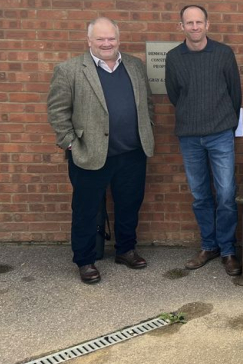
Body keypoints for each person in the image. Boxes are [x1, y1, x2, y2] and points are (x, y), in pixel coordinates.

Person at [47, 17, 155, 284]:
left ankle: (126, 250)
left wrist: (147, 130)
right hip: (89, 153)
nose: (107, 43)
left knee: (129, 204)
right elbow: (58, 111)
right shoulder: (70, 69)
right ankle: (85, 261)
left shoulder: (135, 66)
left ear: (119, 39)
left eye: (111, 38)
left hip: (131, 152)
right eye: (100, 39)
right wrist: (70, 142)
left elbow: (147, 104)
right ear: (89, 41)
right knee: (85, 209)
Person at [165, 5, 242, 276]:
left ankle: (229, 249)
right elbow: (174, 94)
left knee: (225, 194)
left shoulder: (223, 54)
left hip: (220, 133)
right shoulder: (174, 58)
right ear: (181, 26)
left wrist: (224, 121)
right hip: (189, 136)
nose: (195, 27)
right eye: (189, 22)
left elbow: (235, 94)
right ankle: (209, 246)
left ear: (207, 25)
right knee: (200, 195)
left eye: (199, 22)